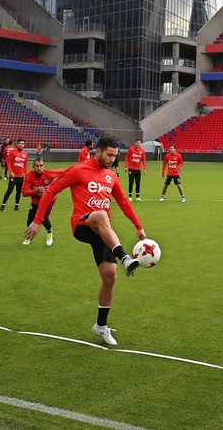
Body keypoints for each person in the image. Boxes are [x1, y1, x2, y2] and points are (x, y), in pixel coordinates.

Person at [25, 138, 146, 346]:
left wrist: (138, 226)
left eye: (115, 156)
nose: (112, 159)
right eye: (109, 155)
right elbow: (51, 191)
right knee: (100, 215)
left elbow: (124, 201)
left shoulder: (110, 177)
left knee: (110, 277)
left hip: (102, 231)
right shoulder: (78, 170)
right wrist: (37, 221)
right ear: (97, 152)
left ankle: (101, 326)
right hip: (82, 225)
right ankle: (125, 258)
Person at [22, 158, 62, 247]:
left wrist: (54, 186)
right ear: (33, 167)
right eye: (37, 166)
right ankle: (28, 237)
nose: (39, 168)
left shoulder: (48, 173)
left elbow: (64, 172)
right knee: (30, 220)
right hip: (35, 202)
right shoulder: (29, 175)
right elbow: (24, 193)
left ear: (44, 166)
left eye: (41, 166)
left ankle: (49, 232)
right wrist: (36, 191)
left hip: (49, 201)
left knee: (43, 217)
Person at [0, 139, 28, 212]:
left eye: (22, 144)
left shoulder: (25, 154)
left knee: (19, 191)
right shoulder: (13, 152)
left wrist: (26, 174)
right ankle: (3, 205)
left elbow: (25, 165)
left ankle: (16, 206)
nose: (21, 145)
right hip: (14, 176)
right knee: (9, 190)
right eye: (20, 143)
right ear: (17, 144)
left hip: (21, 176)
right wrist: (11, 172)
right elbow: (8, 162)